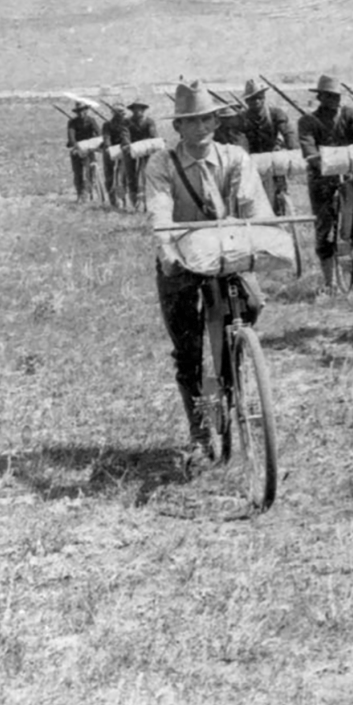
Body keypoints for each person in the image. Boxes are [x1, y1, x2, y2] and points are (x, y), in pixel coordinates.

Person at [144, 83, 274, 461]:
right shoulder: (162, 163)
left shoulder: (234, 157)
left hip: (226, 253)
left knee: (250, 306)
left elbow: (252, 204)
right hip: (181, 257)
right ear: (178, 127)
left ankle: (231, 378)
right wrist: (167, 249)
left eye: (207, 118)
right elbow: (160, 211)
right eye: (191, 121)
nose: (200, 126)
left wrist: (255, 232)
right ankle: (199, 431)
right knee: (187, 349)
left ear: (216, 121)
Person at [298, 74, 353, 288]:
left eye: (337, 96)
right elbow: (308, 149)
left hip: (349, 174)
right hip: (322, 178)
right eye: (329, 96)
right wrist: (317, 160)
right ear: (320, 97)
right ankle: (330, 281)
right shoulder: (308, 122)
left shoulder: (350, 115)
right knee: (325, 227)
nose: (334, 100)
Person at [235, 79, 300, 215]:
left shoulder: (275, 113)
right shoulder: (242, 119)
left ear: (264, 98)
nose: (256, 102)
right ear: (247, 102)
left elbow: (288, 133)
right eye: (251, 99)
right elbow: (240, 141)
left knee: (279, 197)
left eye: (259, 98)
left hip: (273, 160)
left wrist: (293, 151)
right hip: (252, 161)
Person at [124, 102, 158, 208]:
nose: (137, 111)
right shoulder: (127, 122)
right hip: (131, 148)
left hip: (146, 148)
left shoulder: (149, 121)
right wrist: (127, 144)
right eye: (135, 109)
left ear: (143, 110)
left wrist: (154, 142)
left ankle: (148, 197)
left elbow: (153, 134)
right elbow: (125, 135)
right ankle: (133, 197)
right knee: (130, 172)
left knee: (146, 171)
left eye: (139, 109)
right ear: (132, 111)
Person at [65, 104, 100, 201]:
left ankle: (87, 193)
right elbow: (71, 137)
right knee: (77, 173)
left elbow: (99, 134)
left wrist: (93, 144)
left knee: (88, 172)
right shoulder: (72, 122)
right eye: (78, 111)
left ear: (86, 111)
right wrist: (78, 147)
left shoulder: (91, 121)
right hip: (77, 149)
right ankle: (79, 193)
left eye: (83, 110)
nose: (81, 113)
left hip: (89, 149)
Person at [100, 104, 131, 209]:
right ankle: (112, 199)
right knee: (109, 175)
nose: (122, 115)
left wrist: (125, 144)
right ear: (114, 114)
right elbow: (106, 136)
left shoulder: (127, 123)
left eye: (123, 113)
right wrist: (108, 146)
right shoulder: (107, 125)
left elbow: (125, 136)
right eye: (119, 113)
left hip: (123, 150)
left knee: (121, 176)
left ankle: (122, 199)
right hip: (110, 151)